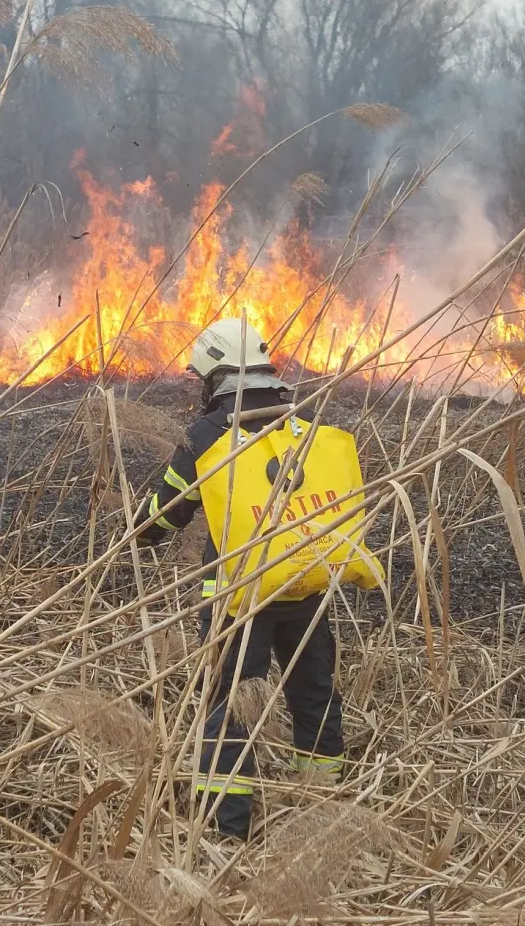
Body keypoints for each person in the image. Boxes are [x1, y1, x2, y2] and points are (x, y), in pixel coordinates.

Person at [134, 317, 384, 840]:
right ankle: (320, 807)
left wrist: (138, 532)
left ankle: (227, 831)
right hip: (306, 580)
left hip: (236, 599)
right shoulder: (303, 419)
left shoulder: (208, 434)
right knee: (314, 693)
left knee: (229, 707)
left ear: (215, 375)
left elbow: (168, 512)